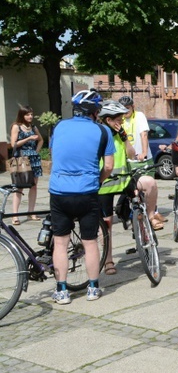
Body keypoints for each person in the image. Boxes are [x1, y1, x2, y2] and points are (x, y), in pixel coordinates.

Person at [49, 89, 115, 303]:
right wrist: (98, 181)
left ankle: (61, 291)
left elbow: (55, 156)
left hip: (60, 192)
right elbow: (109, 166)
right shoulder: (103, 131)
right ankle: (93, 288)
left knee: (60, 243)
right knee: (90, 242)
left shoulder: (58, 127)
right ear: (95, 111)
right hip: (87, 191)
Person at [97, 100, 161, 275]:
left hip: (124, 179)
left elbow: (131, 154)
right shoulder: (100, 134)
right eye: (119, 119)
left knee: (149, 183)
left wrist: (124, 138)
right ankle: (108, 260)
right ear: (108, 119)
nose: (122, 121)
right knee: (107, 223)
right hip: (105, 184)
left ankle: (148, 218)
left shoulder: (120, 133)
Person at [9, 105, 43, 224]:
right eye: (28, 114)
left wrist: (36, 152)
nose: (30, 117)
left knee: (33, 186)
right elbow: (14, 144)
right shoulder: (16, 126)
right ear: (22, 115)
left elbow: (41, 140)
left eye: (31, 114)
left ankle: (31, 213)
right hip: (21, 159)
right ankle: (15, 215)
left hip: (33, 159)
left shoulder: (33, 127)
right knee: (19, 186)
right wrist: (28, 139)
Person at [119, 96, 152, 165]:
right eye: (123, 108)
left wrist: (144, 153)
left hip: (142, 160)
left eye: (127, 108)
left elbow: (144, 135)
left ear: (133, 107)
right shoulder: (120, 119)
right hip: (128, 161)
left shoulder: (139, 115)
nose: (125, 111)